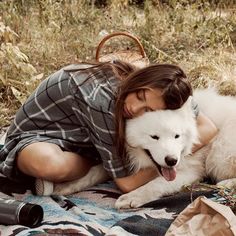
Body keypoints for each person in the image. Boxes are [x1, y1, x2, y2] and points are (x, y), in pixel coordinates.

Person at [0, 60, 218, 195]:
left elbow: (208, 127)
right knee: (47, 163)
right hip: (37, 137)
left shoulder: (162, 87)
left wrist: (174, 153)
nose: (134, 108)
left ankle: (105, 160)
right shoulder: (102, 101)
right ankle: (102, 163)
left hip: (81, 138)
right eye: (139, 96)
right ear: (140, 80)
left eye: (149, 110)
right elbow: (128, 184)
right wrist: (166, 169)